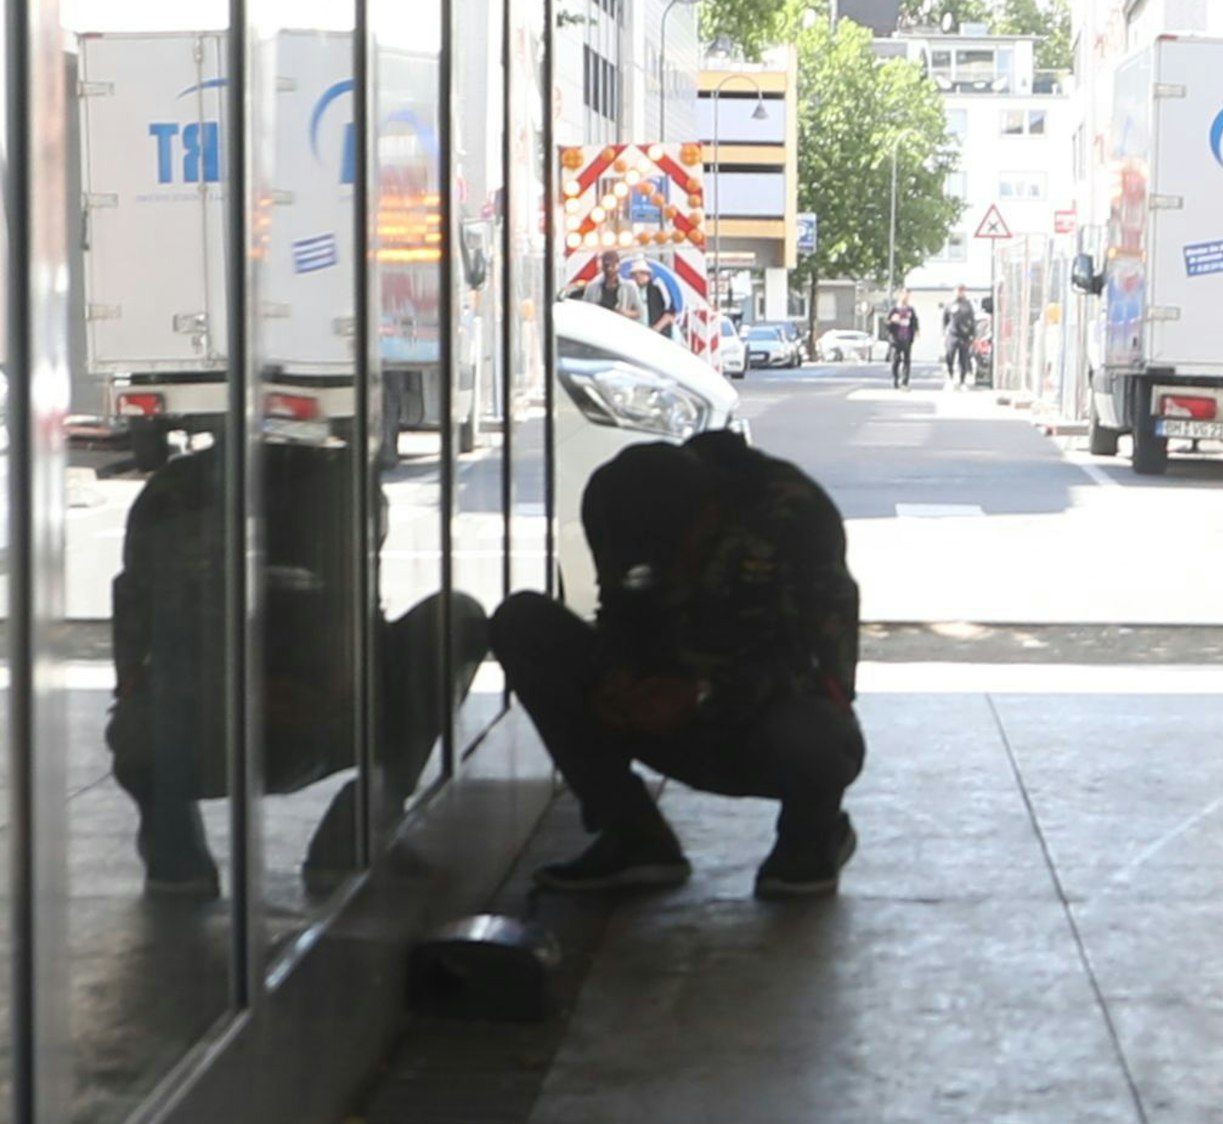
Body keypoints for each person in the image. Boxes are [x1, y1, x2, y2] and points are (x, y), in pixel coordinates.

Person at [490, 431, 865, 898]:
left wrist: (702, 691)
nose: (666, 572)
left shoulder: (795, 518)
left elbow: (825, 672)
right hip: (664, 715)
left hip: (760, 728)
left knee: (814, 732)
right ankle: (634, 835)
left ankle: (810, 839)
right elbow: (620, 610)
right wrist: (618, 676)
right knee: (523, 622)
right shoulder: (617, 503)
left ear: (712, 515)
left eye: (675, 555)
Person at [107, 442, 488, 897]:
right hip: (268, 722)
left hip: (235, 725)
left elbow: (134, 639)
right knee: (454, 617)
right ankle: (351, 830)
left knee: (454, 619)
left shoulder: (177, 497)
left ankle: (179, 850)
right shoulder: (334, 493)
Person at [581, 250, 643, 321]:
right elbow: (584, 310)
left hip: (620, 327)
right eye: (607, 265)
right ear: (602, 267)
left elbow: (640, 312)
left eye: (613, 266)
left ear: (618, 265)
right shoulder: (592, 287)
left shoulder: (629, 287)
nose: (609, 269)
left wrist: (625, 313)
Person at [884, 290, 919, 390]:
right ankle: (895, 379)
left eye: (908, 296)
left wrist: (916, 330)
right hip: (896, 339)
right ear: (900, 296)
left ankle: (905, 382)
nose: (906, 298)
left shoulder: (910, 310)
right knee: (896, 360)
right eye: (904, 296)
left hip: (907, 338)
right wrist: (893, 321)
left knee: (907, 361)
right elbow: (887, 323)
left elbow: (914, 321)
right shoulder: (894, 309)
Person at [630, 260, 676, 336]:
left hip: (660, 334)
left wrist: (657, 328)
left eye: (637, 275)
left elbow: (670, 310)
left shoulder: (658, 285)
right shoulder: (633, 290)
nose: (636, 278)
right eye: (633, 276)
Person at [944, 286, 977, 388]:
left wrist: (973, 335)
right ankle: (950, 377)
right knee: (949, 356)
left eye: (962, 291)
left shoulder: (967, 305)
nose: (960, 293)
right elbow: (944, 320)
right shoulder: (949, 304)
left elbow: (972, 321)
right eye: (958, 290)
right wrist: (944, 334)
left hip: (964, 336)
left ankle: (962, 381)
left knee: (963, 359)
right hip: (952, 335)